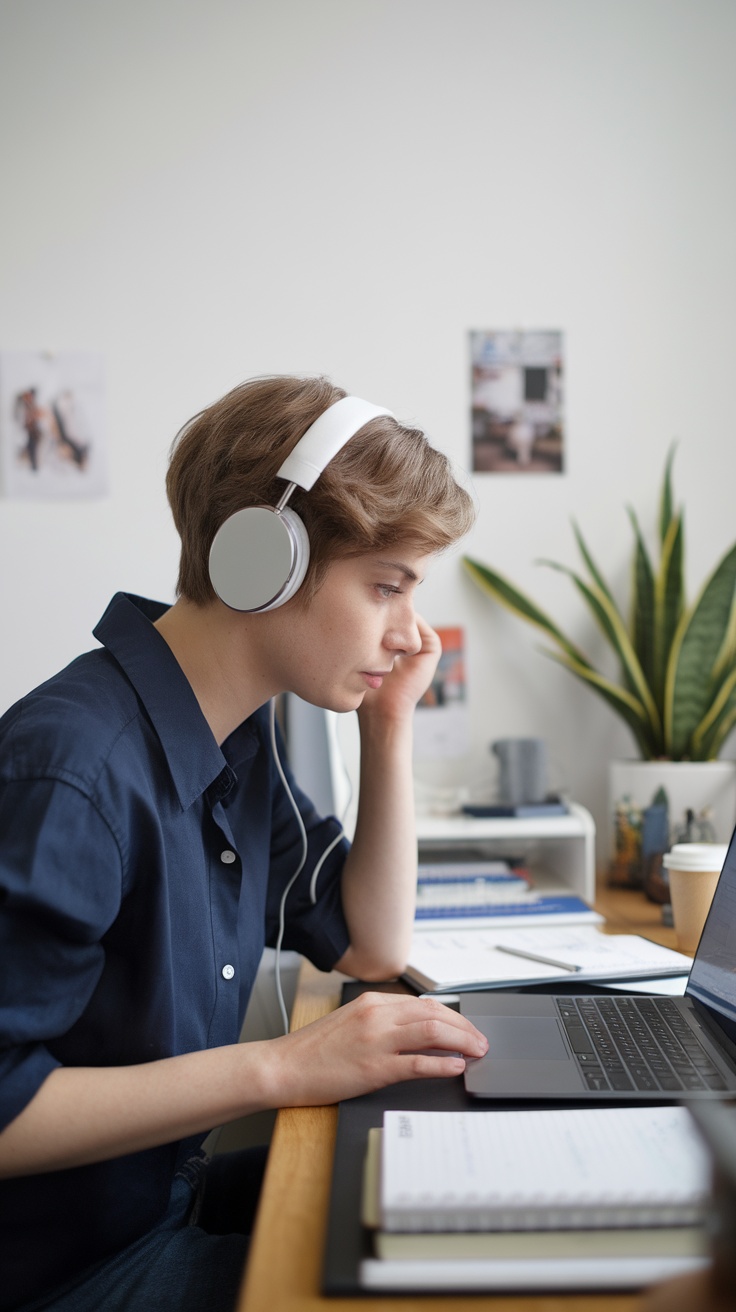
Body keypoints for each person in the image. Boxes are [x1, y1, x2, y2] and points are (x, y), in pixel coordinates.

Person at [0, 374, 488, 1312]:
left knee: (446, 1216)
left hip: (152, 1206)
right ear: (263, 560)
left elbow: (367, 941)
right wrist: (283, 1068)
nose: (411, 632)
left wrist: (388, 729)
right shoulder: (78, 770)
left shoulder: (230, 735)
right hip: (66, 1272)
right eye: (386, 586)